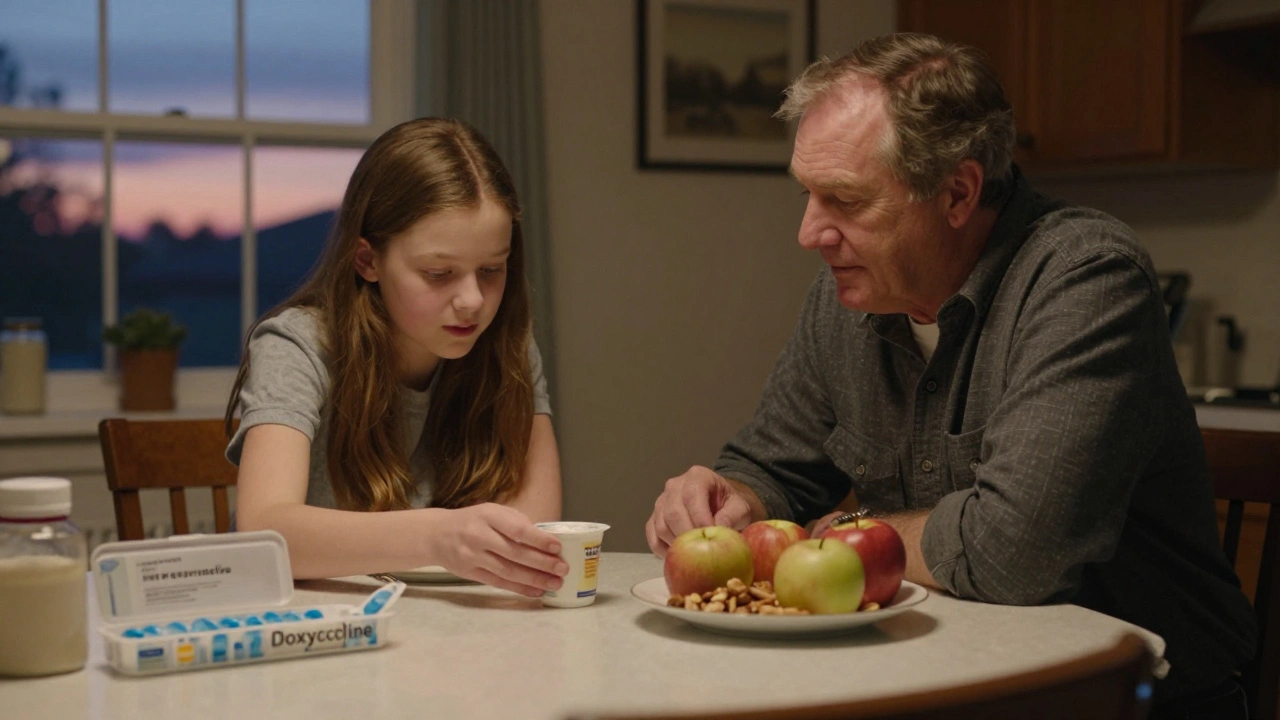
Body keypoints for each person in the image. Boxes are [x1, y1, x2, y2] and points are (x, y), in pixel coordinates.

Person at [645, 33, 1256, 716]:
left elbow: (1013, 553)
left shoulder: (1086, 278)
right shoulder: (847, 297)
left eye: (843, 200)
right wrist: (733, 500)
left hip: (1135, 701)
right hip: (947, 685)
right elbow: (772, 467)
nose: (809, 232)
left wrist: (837, 535)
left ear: (958, 192)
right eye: (808, 195)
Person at [225, 117, 567, 599]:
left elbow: (538, 526)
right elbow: (265, 531)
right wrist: (437, 536)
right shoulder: (297, 344)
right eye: (438, 272)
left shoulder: (505, 340)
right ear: (367, 260)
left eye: (492, 269)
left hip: (458, 636)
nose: (472, 300)